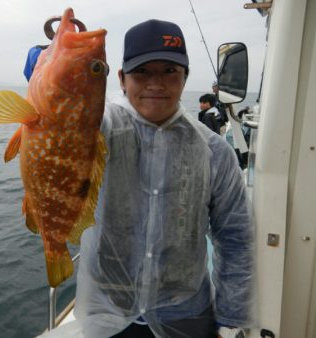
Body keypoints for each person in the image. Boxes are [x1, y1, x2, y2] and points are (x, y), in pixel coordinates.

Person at [72, 19, 255, 338]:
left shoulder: (214, 151)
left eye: (169, 70)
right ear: (121, 78)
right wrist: (61, 70)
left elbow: (235, 236)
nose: (156, 83)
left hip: (186, 313)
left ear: (185, 76)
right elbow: (67, 116)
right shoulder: (100, 129)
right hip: (108, 312)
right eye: (142, 72)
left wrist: (231, 315)